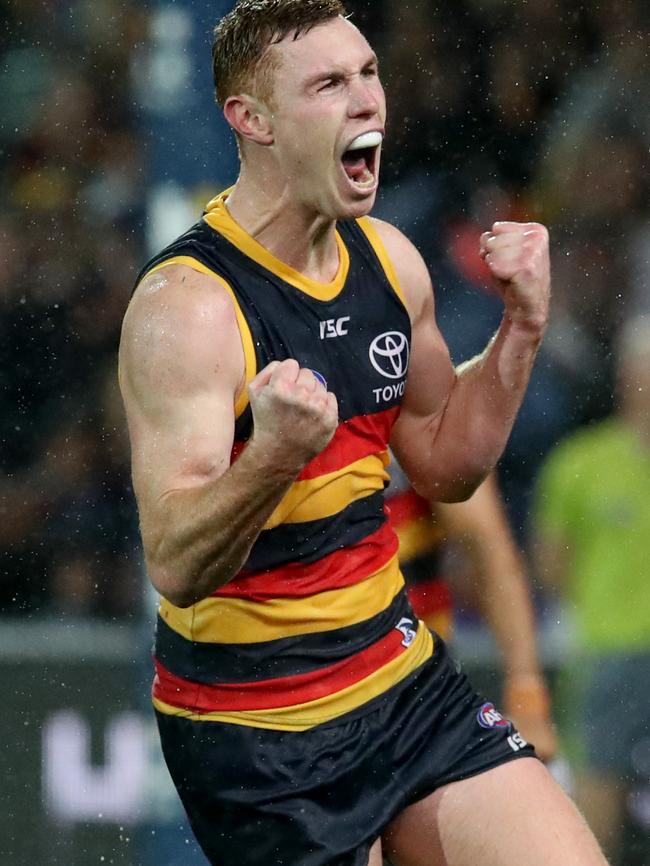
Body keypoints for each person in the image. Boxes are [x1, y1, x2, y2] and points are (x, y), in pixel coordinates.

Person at [118, 2, 607, 864]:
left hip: (399, 680)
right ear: (252, 120)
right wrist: (272, 454)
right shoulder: (187, 308)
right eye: (330, 84)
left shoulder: (390, 261)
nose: (368, 101)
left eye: (370, 73)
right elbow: (176, 561)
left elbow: (446, 466)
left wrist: (519, 333)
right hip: (258, 731)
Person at [533, 315, 650, 864]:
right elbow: (551, 566)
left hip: (608, 647)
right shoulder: (580, 463)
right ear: (627, 375)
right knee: (599, 782)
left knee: (602, 776)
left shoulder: (580, 461)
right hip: (607, 648)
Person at [386, 467, 557, 762]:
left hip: (415, 689)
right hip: (298, 692)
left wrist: (527, 697)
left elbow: (487, 544)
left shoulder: (405, 423)